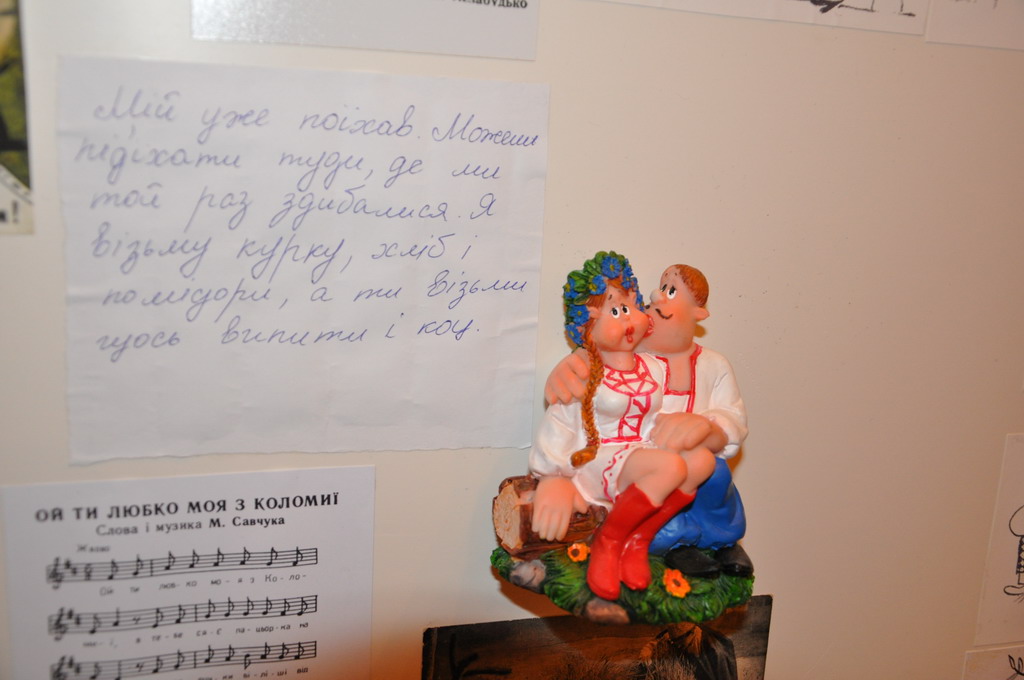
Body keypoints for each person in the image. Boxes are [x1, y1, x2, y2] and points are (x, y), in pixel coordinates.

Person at [545, 263, 752, 578]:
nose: (656, 296)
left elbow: (733, 417)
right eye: (659, 289)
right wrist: (574, 361)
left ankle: (721, 540)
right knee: (666, 473)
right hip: (640, 459)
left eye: (671, 291)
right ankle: (670, 542)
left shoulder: (714, 364)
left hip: (694, 464)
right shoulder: (637, 360)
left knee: (714, 472)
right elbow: (602, 352)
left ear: (698, 314)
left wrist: (710, 427)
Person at [529, 252, 715, 601]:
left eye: (631, 306)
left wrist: (680, 427)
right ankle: (609, 541)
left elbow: (658, 414)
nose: (628, 319)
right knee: (671, 467)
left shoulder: (652, 367)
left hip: (641, 451)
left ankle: (637, 540)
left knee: (702, 461)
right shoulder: (586, 371)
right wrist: (553, 478)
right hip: (600, 459)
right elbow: (561, 421)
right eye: (615, 311)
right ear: (588, 327)